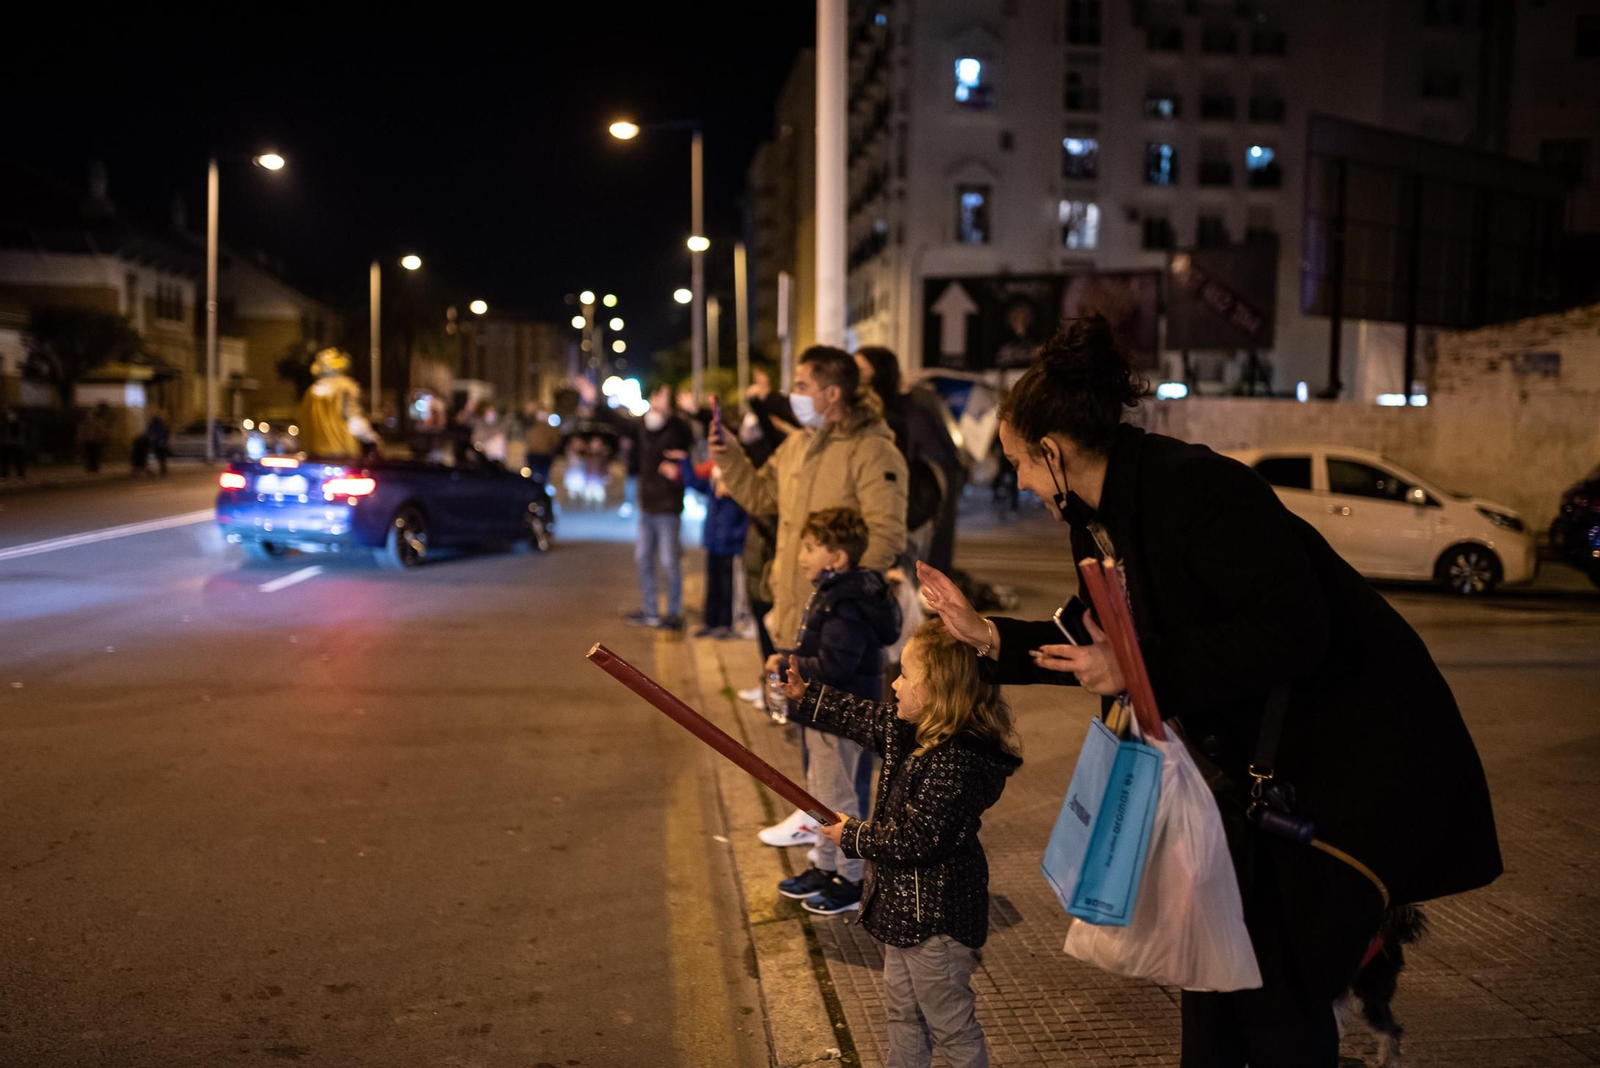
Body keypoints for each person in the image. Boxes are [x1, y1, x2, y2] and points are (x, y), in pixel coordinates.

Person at [916, 314, 1502, 1068]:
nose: (1020, 483)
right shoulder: (1101, 517)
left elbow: (1294, 630)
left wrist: (1139, 668)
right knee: (1215, 983)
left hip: (1343, 778)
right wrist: (987, 636)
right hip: (1247, 788)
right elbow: (1096, 639)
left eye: (1019, 464)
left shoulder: (1196, 490)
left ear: (1053, 452)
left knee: (1279, 1005)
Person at [779, 617, 1020, 1068]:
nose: (894, 684)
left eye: (906, 675)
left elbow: (918, 840)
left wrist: (852, 834)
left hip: (936, 924)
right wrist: (808, 696)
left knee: (951, 1025)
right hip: (904, 914)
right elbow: (864, 717)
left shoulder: (956, 761)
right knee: (902, 1013)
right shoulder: (913, 730)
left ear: (939, 692)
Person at [712, 345, 908, 846]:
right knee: (814, 746)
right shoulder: (797, 445)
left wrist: (841, 597)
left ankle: (849, 862)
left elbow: (885, 537)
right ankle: (820, 837)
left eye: (801, 385)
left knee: (841, 750)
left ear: (832, 392)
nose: (793, 394)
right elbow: (761, 497)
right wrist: (729, 455)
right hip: (798, 617)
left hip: (839, 629)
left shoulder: (872, 450)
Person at [769, 508, 901, 915]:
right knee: (820, 796)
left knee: (838, 799)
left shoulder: (846, 602)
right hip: (822, 711)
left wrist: (786, 664)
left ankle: (851, 878)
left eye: (810, 548)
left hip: (837, 714)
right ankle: (825, 867)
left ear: (838, 557)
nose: (801, 557)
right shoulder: (835, 594)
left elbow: (836, 665)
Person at [856, 347, 962, 572]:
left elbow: (941, 464)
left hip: (901, 521)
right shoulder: (860, 415)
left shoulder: (907, 415)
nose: (856, 378)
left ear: (881, 373)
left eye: (862, 371)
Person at [626, 384, 694, 631]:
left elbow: (688, 435)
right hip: (647, 506)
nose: (662, 401)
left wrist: (672, 414)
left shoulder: (675, 428)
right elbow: (619, 424)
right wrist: (594, 402)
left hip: (669, 507)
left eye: (667, 397)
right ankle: (651, 611)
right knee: (643, 558)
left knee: (669, 561)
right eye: (659, 396)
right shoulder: (643, 427)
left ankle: (674, 613)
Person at [679, 456, 751, 639]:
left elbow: (745, 520)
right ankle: (710, 622)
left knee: (727, 587)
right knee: (712, 585)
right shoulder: (712, 487)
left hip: (729, 546)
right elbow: (692, 481)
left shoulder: (738, 494)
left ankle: (725, 624)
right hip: (713, 543)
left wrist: (737, 539)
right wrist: (684, 461)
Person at [81, 403, 111, 473]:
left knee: (93, 454)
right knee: (92, 453)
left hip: (93, 439)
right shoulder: (95, 417)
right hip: (92, 438)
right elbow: (100, 429)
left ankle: (93, 467)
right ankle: (92, 467)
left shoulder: (97, 417)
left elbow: (102, 429)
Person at [0, 405, 27, 479]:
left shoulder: (18, 423)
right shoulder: (4, 422)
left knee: (18, 460)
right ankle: (4, 475)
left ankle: (20, 474)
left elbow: (21, 430)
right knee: (5, 460)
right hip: (6, 443)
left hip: (16, 444)